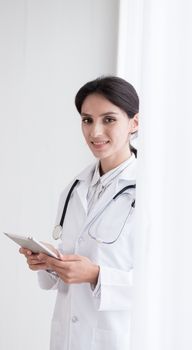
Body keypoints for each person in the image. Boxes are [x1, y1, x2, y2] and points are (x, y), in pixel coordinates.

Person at [19, 76, 139, 350]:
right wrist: (50, 261)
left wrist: (96, 276)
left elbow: (161, 286)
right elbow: (77, 254)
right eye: (87, 120)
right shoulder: (74, 189)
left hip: (118, 339)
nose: (95, 132)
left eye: (109, 119)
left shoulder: (152, 194)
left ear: (134, 123)